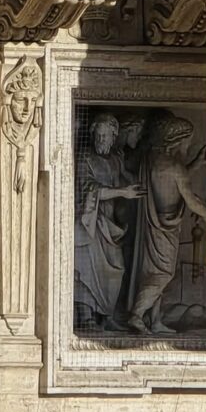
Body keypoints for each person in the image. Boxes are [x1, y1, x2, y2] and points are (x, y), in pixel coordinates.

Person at [126, 115, 206, 335]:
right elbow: (192, 201)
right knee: (163, 274)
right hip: (165, 228)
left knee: (153, 272)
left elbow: (169, 182)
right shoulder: (175, 167)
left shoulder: (152, 160)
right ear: (177, 141)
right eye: (187, 142)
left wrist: (196, 163)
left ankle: (155, 320)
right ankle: (136, 315)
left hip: (153, 224)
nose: (189, 146)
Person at [73, 113, 143, 330]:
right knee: (86, 269)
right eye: (98, 135)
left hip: (110, 225)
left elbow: (127, 177)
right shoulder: (85, 157)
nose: (101, 140)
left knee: (117, 267)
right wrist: (123, 192)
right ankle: (86, 318)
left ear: (114, 137)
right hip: (90, 223)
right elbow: (88, 188)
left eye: (105, 136)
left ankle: (108, 315)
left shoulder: (115, 159)